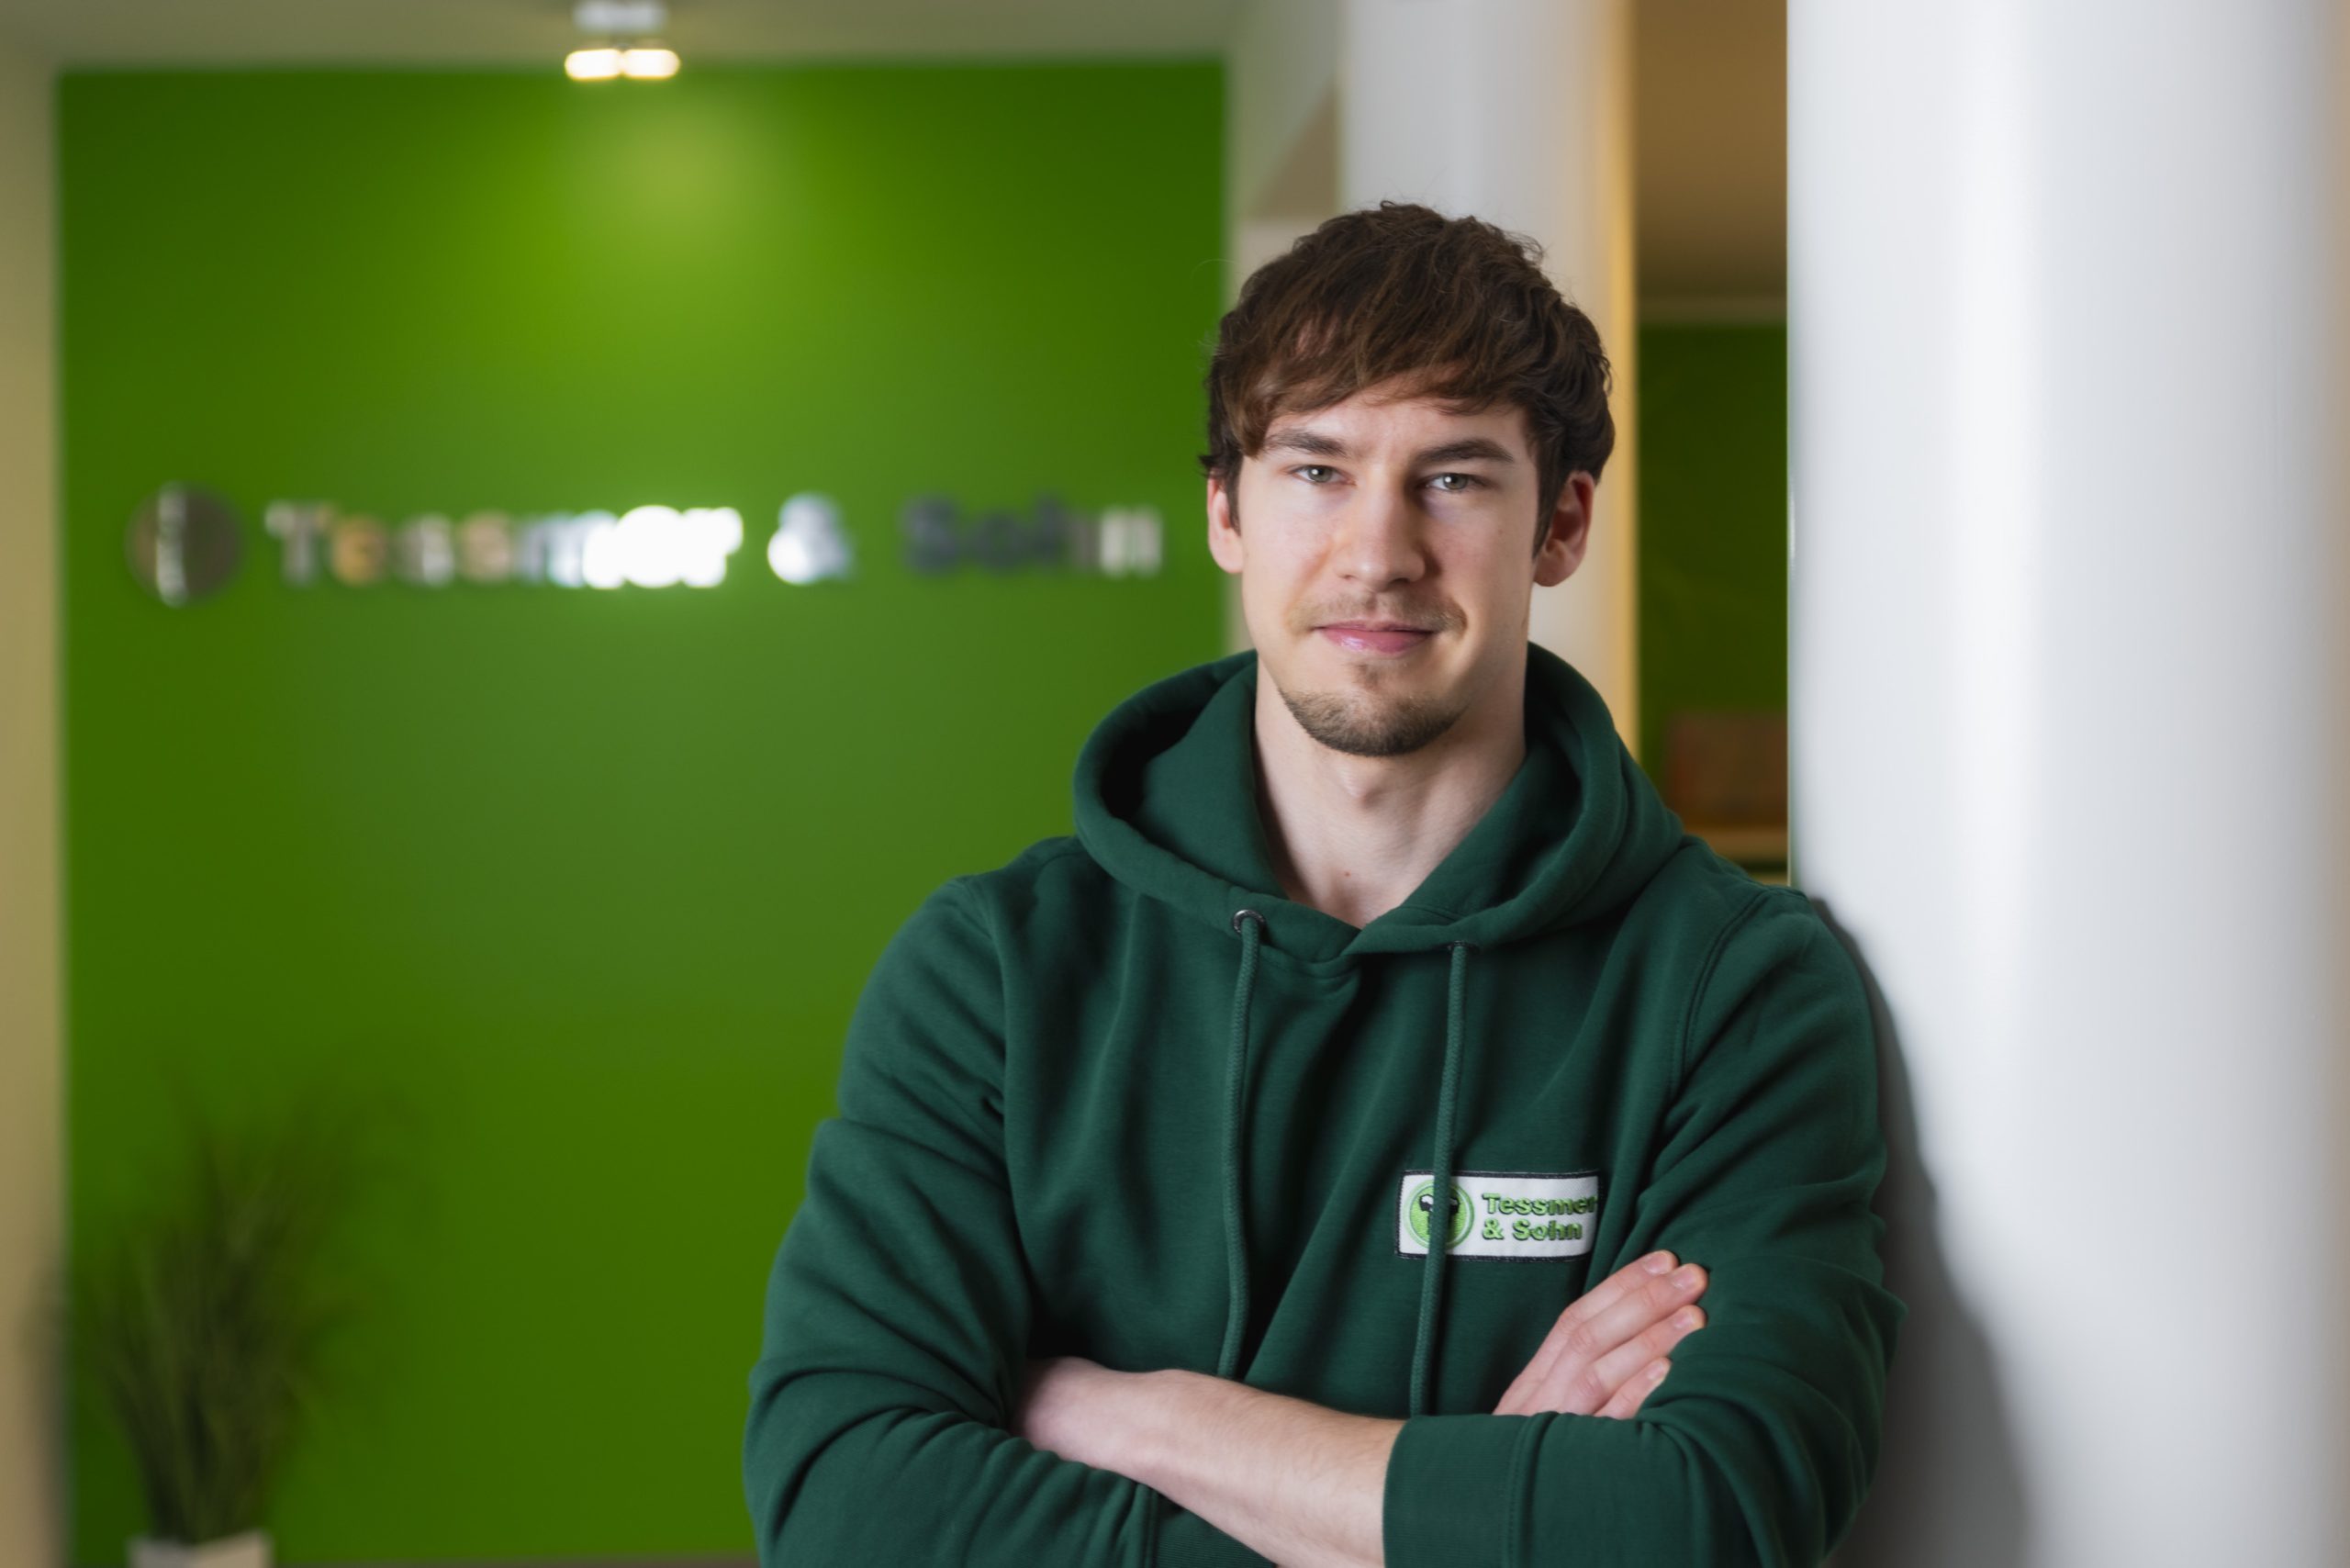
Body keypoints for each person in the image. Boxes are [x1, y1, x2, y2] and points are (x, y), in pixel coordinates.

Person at [742, 201, 1902, 1566]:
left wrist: (1149, 1419)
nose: (1377, 552)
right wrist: (1475, 1515)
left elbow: (1701, 1523)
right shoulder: (995, 973)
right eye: (1316, 469)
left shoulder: (1733, 988)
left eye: (1454, 478)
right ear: (1226, 511)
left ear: (1561, 523)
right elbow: (845, 1506)